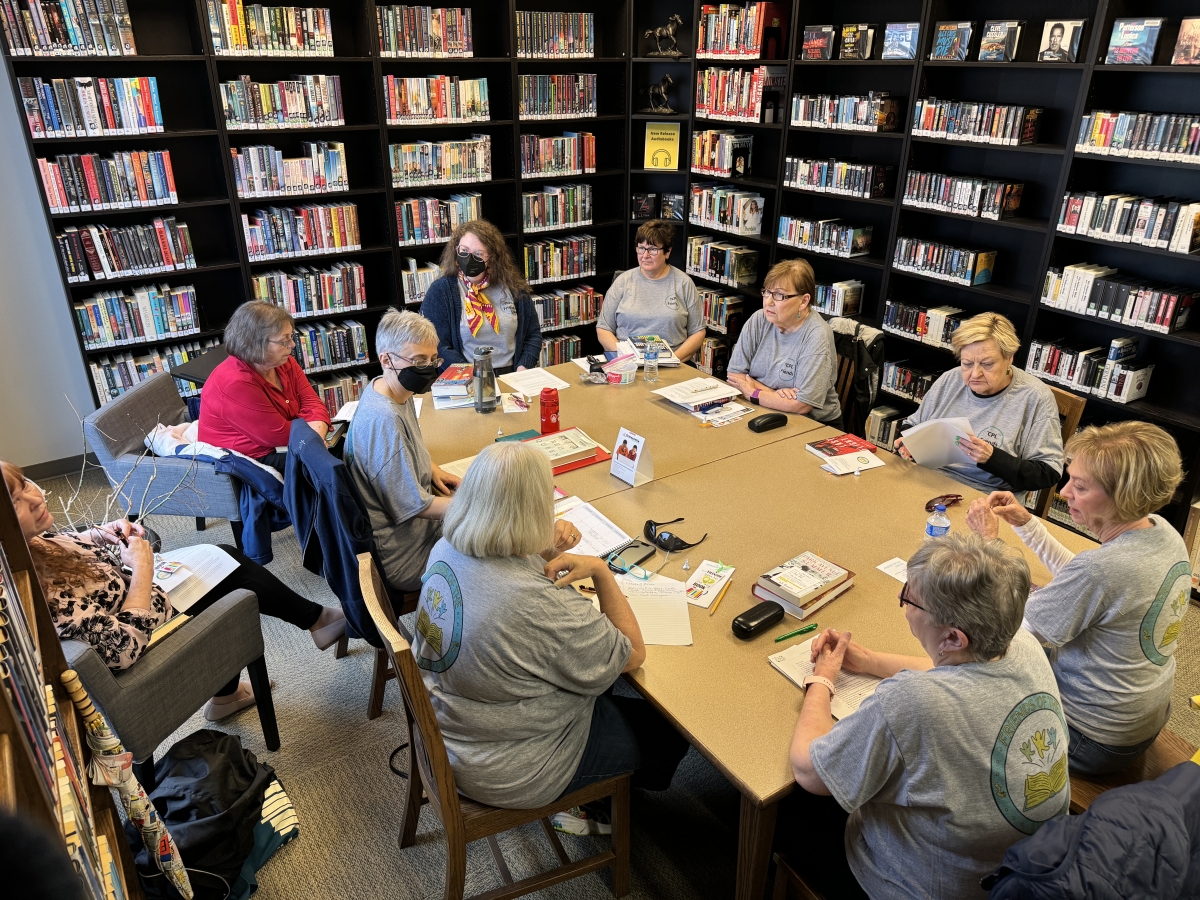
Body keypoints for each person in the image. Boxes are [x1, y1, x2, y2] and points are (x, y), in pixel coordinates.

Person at [411, 442, 689, 823]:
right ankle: (596, 804)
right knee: (667, 732)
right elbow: (631, 654)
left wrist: (540, 547)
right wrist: (599, 570)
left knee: (590, 677)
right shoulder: (534, 605)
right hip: (512, 769)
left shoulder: (446, 548)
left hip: (455, 727)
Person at [784, 533, 1069, 900]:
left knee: (793, 806)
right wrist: (870, 662)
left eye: (909, 599)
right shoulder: (1024, 646)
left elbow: (809, 771)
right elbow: (949, 672)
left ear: (952, 637)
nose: (904, 606)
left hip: (935, 886)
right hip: (1030, 868)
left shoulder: (910, 700)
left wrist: (821, 678)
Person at [2, 460, 346, 721]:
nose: (35, 496)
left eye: (26, 484)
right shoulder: (41, 594)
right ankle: (317, 621)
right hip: (145, 632)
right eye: (17, 500)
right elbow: (121, 650)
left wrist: (103, 533)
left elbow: (70, 544)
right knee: (231, 577)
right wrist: (142, 569)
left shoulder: (26, 547)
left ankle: (306, 629)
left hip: (141, 594)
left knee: (223, 557)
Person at [966, 421, 1189, 776]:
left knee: (967, 689)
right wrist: (1027, 524)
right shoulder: (1163, 534)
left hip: (1091, 740)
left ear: (1123, 496)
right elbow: (1084, 577)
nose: (1064, 492)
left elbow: (1011, 630)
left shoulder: (1102, 570)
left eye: (1080, 486)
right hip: (1142, 716)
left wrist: (989, 545)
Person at [345, 309, 463, 594]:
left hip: (412, 531)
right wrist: (479, 507)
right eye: (419, 361)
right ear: (386, 359)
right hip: (406, 555)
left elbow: (404, 452)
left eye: (433, 360)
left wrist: (431, 467)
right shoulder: (384, 420)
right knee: (502, 542)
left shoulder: (388, 387)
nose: (428, 368)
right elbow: (417, 507)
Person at [896, 312, 1063, 498]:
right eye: (967, 363)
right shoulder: (951, 379)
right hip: (929, 480)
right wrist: (908, 443)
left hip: (988, 496)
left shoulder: (1035, 397)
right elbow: (912, 424)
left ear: (1009, 358)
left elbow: (1048, 473)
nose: (975, 374)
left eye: (987, 364)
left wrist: (992, 458)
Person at [198, 301, 330, 471]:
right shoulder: (235, 383)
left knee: (343, 450)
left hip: (287, 440)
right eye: (284, 340)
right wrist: (314, 439)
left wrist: (315, 436)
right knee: (325, 465)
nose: (292, 345)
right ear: (256, 344)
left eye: (291, 336)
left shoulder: (284, 362)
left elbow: (312, 401)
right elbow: (278, 434)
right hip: (244, 458)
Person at [725, 258, 842, 427]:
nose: (769, 302)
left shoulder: (817, 335)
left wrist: (753, 391)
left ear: (803, 301)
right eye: (767, 292)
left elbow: (802, 404)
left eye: (780, 295)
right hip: (765, 410)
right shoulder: (759, 319)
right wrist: (774, 395)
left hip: (814, 424)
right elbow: (734, 377)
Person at [421, 219, 543, 374]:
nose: (469, 258)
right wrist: (472, 375)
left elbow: (532, 334)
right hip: (464, 376)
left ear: (491, 258)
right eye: (464, 251)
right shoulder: (441, 291)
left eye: (478, 254)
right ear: (455, 251)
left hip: (512, 374)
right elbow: (438, 344)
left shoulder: (513, 287)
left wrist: (523, 368)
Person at [596, 220, 705, 362]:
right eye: (641, 248)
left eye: (653, 249)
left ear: (667, 252)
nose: (645, 255)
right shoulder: (623, 281)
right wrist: (624, 357)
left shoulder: (684, 283)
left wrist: (672, 360)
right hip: (628, 362)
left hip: (673, 361)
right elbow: (604, 328)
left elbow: (698, 332)